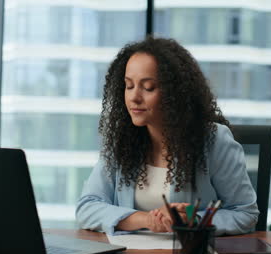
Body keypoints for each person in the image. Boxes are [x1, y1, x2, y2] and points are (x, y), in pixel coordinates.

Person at [76, 37, 259, 236]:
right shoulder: (122, 140)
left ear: (175, 93)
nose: (134, 97)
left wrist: (194, 220)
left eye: (148, 87)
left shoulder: (214, 140)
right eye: (129, 86)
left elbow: (244, 213)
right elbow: (87, 207)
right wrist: (146, 220)